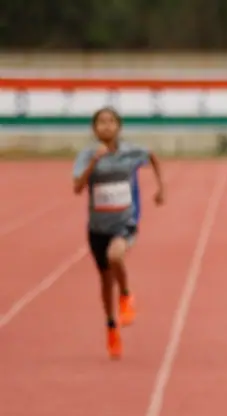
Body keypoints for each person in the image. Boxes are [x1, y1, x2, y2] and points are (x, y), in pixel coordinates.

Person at [72, 106, 165, 359]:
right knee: (104, 282)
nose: (106, 126)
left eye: (110, 121)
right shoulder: (86, 155)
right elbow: (77, 187)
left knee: (116, 257)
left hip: (124, 222)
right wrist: (93, 162)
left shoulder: (130, 152)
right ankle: (111, 324)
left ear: (118, 126)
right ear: (94, 128)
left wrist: (161, 189)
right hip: (97, 227)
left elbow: (153, 156)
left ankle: (126, 294)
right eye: (101, 122)